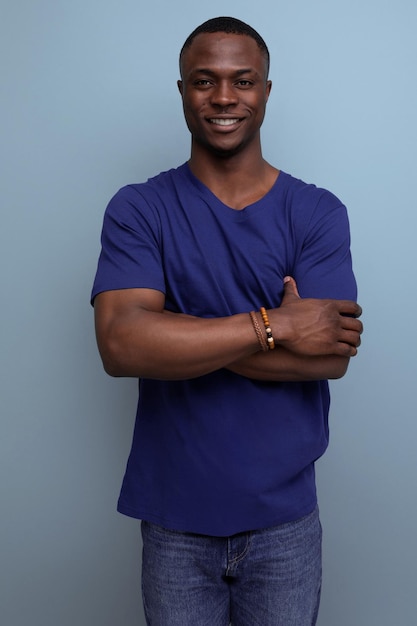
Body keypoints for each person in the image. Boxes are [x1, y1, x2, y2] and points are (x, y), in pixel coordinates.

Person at [91, 16, 363, 626]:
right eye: (203, 81)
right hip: (173, 519)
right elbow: (120, 347)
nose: (223, 98)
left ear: (267, 91)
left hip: (284, 521)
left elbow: (330, 355)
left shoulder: (316, 212)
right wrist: (278, 325)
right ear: (183, 90)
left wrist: (177, 330)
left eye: (243, 81)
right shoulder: (139, 208)